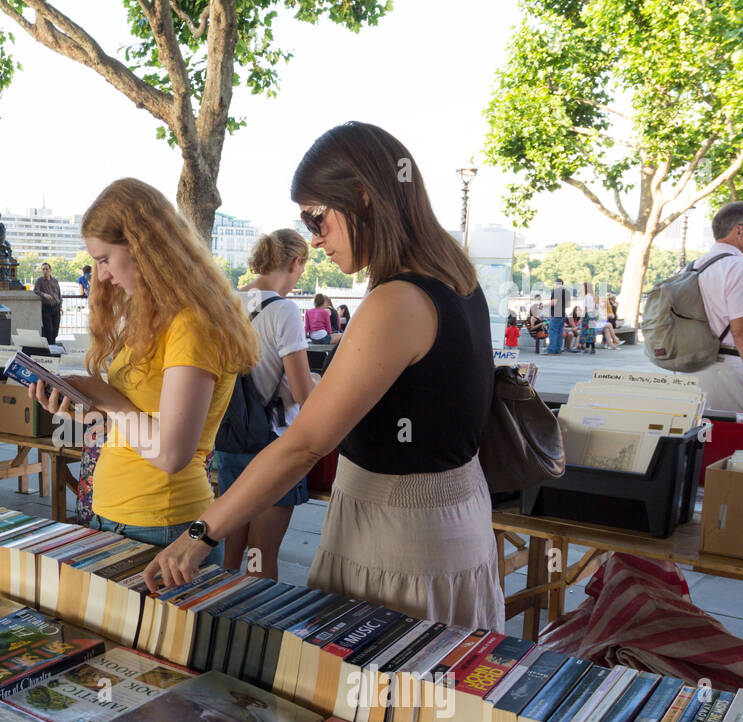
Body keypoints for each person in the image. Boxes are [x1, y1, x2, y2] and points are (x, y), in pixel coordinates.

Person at [143, 121, 504, 633]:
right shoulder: (458, 280)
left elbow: (305, 443)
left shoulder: (396, 300)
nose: (314, 236)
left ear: (362, 196)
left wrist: (201, 533)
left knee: (374, 702)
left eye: (317, 216)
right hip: (451, 526)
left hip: (396, 540)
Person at [29, 177, 258, 553]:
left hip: (161, 524)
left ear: (142, 247)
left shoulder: (191, 325)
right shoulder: (162, 317)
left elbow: (170, 454)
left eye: (104, 260)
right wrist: (88, 405)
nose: (101, 275)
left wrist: (108, 398)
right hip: (122, 515)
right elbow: (140, 423)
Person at [221, 229, 316, 579]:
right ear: (295, 262)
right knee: (261, 557)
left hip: (230, 438)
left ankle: (220, 618)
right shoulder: (284, 311)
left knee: (231, 551)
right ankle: (258, 626)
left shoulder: (226, 300)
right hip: (273, 444)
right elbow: (306, 395)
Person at [696, 201, 743, 414]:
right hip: (728, 368)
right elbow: (741, 331)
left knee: (706, 439)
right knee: (741, 441)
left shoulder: (695, 266)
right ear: (739, 230)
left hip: (693, 366)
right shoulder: (741, 267)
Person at [34, 262, 62, 345]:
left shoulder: (55, 280)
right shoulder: (40, 280)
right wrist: (44, 295)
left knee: (55, 330)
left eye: (47, 269)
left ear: (50, 270)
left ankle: (53, 346)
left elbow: (59, 294)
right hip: (46, 308)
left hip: (56, 307)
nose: (45, 271)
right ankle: (48, 347)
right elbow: (36, 290)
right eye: (43, 269)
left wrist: (60, 306)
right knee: (48, 329)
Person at [546, 278, 569, 354]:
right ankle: (557, 349)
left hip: (556, 314)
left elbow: (553, 303)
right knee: (559, 332)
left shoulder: (556, 291)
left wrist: (544, 305)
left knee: (552, 331)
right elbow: (567, 305)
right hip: (562, 314)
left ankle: (551, 350)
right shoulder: (566, 292)